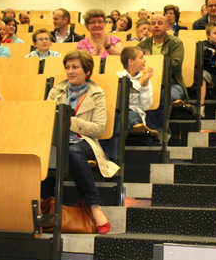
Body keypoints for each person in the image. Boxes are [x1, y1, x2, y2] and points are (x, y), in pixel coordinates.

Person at [46, 50, 119, 234]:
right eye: (68, 67)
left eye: (75, 67)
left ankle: (95, 207)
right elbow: (44, 118)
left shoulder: (96, 94)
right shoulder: (57, 91)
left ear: (86, 71)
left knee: (72, 152)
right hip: (57, 140)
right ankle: (42, 206)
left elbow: (98, 129)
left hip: (84, 141)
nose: (70, 71)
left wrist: (71, 122)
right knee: (45, 154)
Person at [101, 46, 155, 161]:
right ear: (131, 61)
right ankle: (102, 155)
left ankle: (112, 158)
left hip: (136, 114)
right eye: (141, 58)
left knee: (124, 117)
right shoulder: (118, 77)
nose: (144, 60)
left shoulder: (144, 78)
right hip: (119, 111)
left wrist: (144, 86)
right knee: (111, 117)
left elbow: (146, 106)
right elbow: (121, 99)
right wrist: (140, 83)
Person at [138, 14, 188, 131]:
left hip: (172, 84)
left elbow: (175, 64)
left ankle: (160, 131)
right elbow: (136, 64)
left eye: (160, 23)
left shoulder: (175, 43)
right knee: (143, 95)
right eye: (153, 23)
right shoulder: (142, 45)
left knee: (163, 95)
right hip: (149, 83)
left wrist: (155, 60)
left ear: (167, 26)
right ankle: (155, 131)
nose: (156, 26)